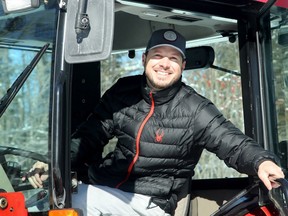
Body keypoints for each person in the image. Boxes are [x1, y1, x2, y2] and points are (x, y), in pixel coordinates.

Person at [28, 29, 284, 216]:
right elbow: (90, 135)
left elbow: (231, 142)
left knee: (72, 200)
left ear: (183, 65)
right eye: (158, 55)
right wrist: (55, 162)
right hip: (106, 189)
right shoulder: (123, 92)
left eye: (173, 58)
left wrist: (261, 161)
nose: (164, 63)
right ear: (144, 60)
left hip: (150, 203)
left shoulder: (194, 108)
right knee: (42, 200)